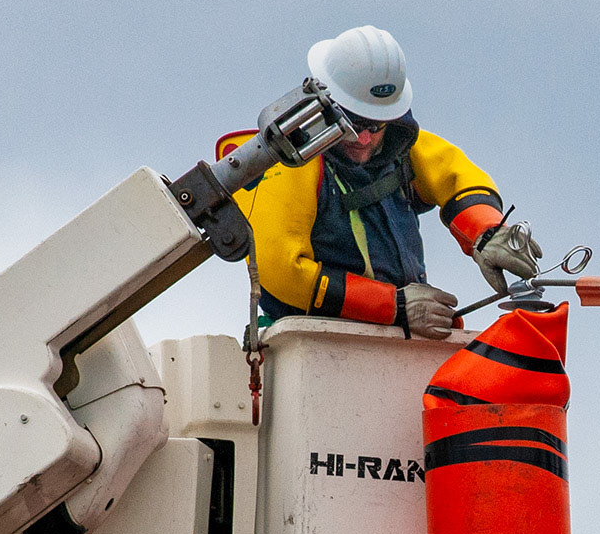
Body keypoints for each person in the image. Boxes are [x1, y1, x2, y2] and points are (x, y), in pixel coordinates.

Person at [222, 25, 543, 339]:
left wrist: (487, 233)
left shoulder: (399, 146)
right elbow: (281, 270)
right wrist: (395, 306)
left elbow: (455, 175)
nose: (363, 139)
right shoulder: (290, 162)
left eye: (375, 126)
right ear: (324, 106)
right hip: (309, 346)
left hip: (388, 344)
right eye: (352, 125)